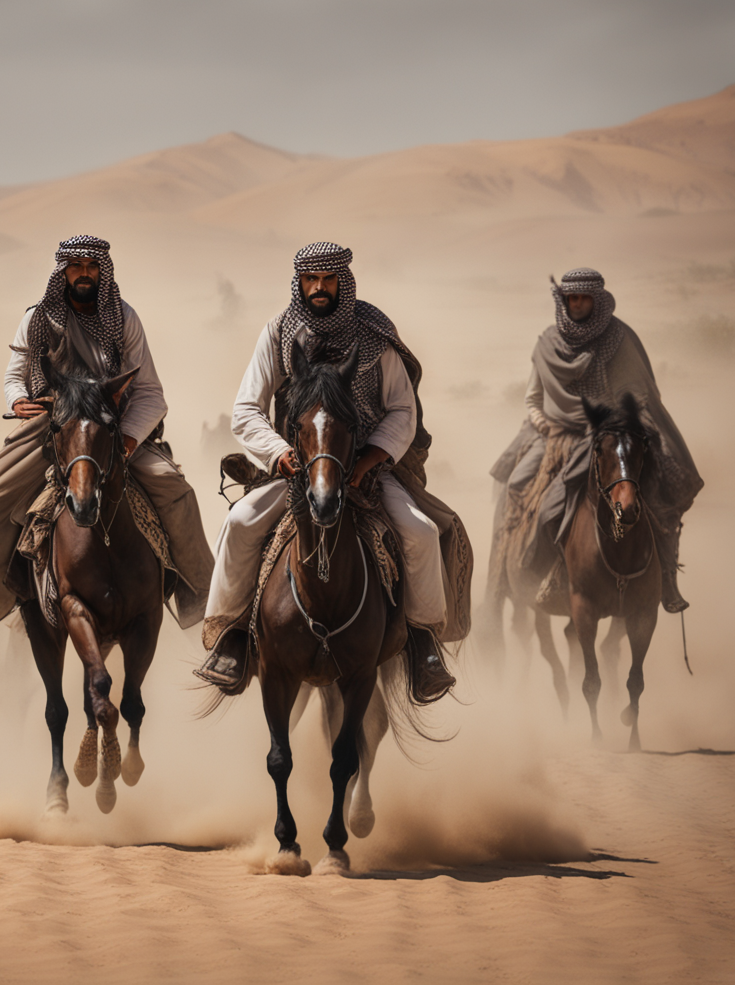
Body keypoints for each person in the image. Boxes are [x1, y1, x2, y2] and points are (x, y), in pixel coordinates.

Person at [195, 242, 472, 702]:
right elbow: (246, 409)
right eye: (310, 279)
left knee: (422, 533)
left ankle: (423, 648)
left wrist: (372, 458)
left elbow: (402, 409)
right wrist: (278, 452)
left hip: (365, 467)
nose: (319, 288)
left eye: (327, 279)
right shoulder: (278, 331)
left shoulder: (374, 333)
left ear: (343, 280)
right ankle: (232, 639)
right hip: (295, 467)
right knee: (239, 524)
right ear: (299, 282)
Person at [0, 234, 213, 633]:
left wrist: (126, 440)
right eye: (75, 266)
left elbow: (150, 393)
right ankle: (1, 591)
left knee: (177, 490)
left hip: (111, 428)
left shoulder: (124, 317)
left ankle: (202, 599)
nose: (84, 273)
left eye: (92, 266)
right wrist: (18, 400)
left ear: (103, 270)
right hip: (50, 428)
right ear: (62, 271)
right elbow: (15, 376)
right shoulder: (36, 318)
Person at [487, 267, 703, 613]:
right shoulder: (548, 342)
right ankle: (532, 576)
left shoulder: (618, 338)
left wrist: (617, 421)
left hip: (612, 430)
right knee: (519, 486)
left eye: (585, 298)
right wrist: (544, 425)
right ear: (564, 300)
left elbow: (636, 390)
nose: (579, 304)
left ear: (597, 300)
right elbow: (533, 398)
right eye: (573, 298)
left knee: (659, 492)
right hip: (555, 432)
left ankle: (666, 579)